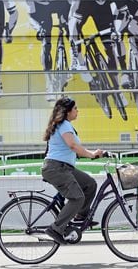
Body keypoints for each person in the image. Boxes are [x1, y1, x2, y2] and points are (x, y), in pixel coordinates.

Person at [42, 96, 103, 245]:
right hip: (57, 168)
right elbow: (73, 146)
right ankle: (56, 228)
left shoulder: (64, 125)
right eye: (75, 108)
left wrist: (94, 153)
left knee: (90, 184)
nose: (77, 111)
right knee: (77, 198)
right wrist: (91, 154)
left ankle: (80, 217)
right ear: (68, 111)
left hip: (63, 168)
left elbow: (73, 148)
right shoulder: (64, 125)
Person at [69, 0, 130, 104]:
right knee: (74, 33)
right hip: (86, 8)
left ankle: (123, 76)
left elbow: (124, 14)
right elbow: (75, 24)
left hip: (105, 13)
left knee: (111, 44)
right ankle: (81, 63)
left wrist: (117, 31)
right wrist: (75, 42)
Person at [25, 0, 73, 102]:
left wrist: (70, 22)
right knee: (46, 41)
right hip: (42, 10)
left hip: (60, 4)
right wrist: (38, 28)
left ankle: (74, 55)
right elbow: (31, 16)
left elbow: (73, 5)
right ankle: (49, 82)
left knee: (69, 28)